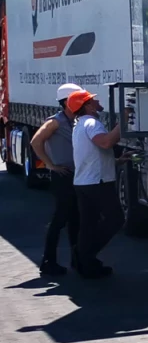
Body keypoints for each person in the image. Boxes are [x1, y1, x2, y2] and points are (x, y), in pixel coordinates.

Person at [28, 83, 84, 277]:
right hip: (63, 176)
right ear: (68, 102)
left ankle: (78, 260)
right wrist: (50, 165)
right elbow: (36, 141)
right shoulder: (56, 121)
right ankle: (48, 261)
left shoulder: (75, 120)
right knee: (60, 219)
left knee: (76, 219)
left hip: (76, 175)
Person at [67, 90, 121, 278]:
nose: (97, 101)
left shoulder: (80, 125)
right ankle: (84, 255)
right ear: (87, 106)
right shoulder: (91, 123)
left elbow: (93, 155)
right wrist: (124, 122)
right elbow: (106, 143)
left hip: (84, 182)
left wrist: (119, 161)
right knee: (116, 219)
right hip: (97, 183)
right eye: (93, 100)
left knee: (88, 225)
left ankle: (86, 262)